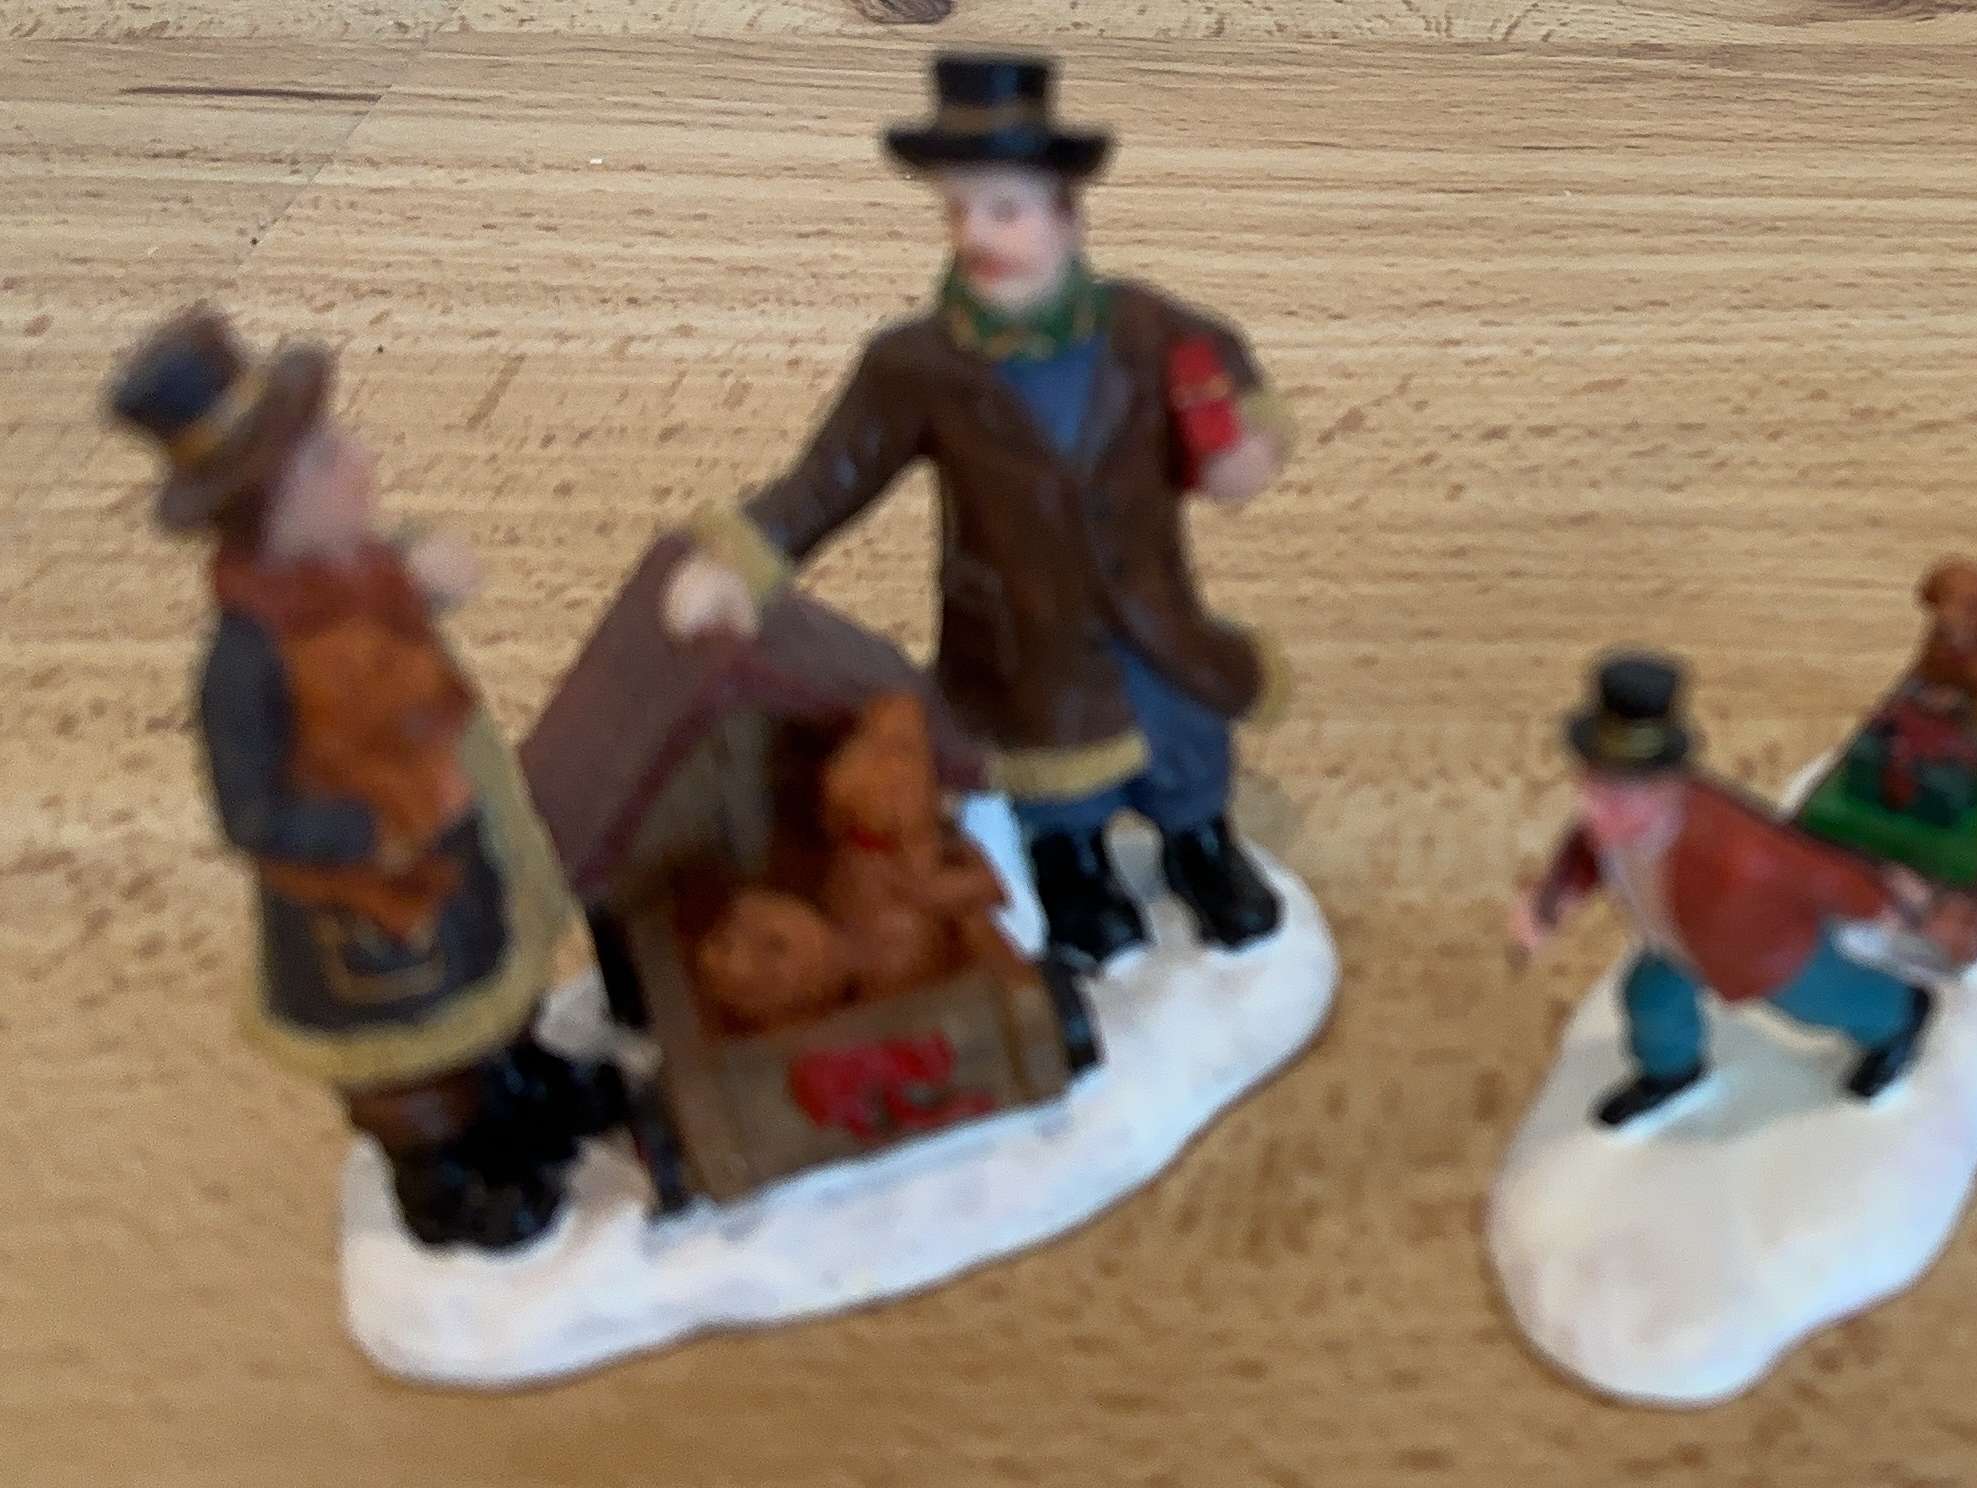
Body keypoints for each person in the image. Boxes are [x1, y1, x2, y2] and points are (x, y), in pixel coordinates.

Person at [662, 53, 1296, 969]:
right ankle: (1074, 875)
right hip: (1024, 638)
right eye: (958, 211)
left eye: (1003, 211)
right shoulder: (918, 368)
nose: (976, 236)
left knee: (1184, 747)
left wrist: (1243, 450)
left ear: (1066, 214)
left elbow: (1235, 410)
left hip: (1154, 618)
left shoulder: (1148, 331)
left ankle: (1201, 849)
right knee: (1056, 782)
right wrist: (741, 562)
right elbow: (832, 477)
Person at [110, 308, 622, 1251]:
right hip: (368, 909)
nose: (356, 462)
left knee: (486, 984)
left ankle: (515, 1088)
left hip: (451, 852)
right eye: (321, 459)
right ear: (268, 507)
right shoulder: (247, 661)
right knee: (411, 1062)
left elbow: (395, 615)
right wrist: (374, 834)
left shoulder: (355, 581)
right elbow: (249, 815)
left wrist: (418, 573)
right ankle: (443, 1180)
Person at [1510, 655, 1938, 1128]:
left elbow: (1814, 872)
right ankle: (1672, 1074)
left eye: (1619, 792)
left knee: (1828, 1003)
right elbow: (1587, 850)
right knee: (1651, 999)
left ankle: (1900, 1016)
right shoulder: (1610, 823)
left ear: (1666, 784)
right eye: (1594, 783)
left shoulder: (1736, 849)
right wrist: (1552, 903)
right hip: (1674, 942)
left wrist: (1879, 900)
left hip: (1764, 949)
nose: (1596, 806)